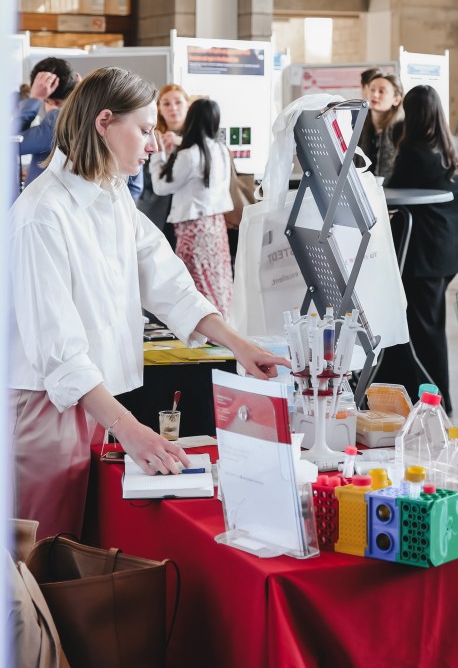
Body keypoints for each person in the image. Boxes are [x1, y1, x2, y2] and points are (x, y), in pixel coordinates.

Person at [8, 66, 288, 540]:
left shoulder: (111, 195)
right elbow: (59, 351)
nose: (154, 145)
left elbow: (168, 281)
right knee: (42, 556)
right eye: (144, 129)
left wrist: (239, 345)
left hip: (93, 401)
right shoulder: (42, 215)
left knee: (80, 544)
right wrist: (130, 428)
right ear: (104, 123)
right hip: (46, 406)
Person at [385, 85, 458, 413]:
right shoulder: (453, 151)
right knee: (430, 327)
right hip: (447, 255)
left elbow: (392, 193)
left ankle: (434, 401)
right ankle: (435, 399)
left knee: (423, 331)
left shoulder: (413, 153)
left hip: (420, 256)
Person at [150, 98, 234, 319]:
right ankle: (222, 324)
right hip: (216, 224)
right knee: (217, 278)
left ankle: (202, 327)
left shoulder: (190, 155)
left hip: (193, 227)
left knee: (192, 281)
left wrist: (158, 156)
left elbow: (161, 186)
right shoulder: (221, 150)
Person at [11, 57, 79, 194]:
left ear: (49, 99)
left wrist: (35, 98)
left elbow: (10, 142)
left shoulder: (57, 119)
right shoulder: (79, 115)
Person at [137, 82, 191, 246]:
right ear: (159, 109)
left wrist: (181, 143)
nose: (173, 108)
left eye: (178, 102)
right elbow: (139, 174)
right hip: (154, 209)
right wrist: (160, 155)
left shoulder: (199, 138)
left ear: (187, 105)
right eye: (166, 104)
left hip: (188, 213)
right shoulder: (149, 134)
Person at [358, 72, 404, 180]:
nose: (375, 95)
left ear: (396, 100)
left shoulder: (403, 130)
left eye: (381, 91)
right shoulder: (358, 126)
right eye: (372, 90)